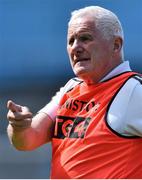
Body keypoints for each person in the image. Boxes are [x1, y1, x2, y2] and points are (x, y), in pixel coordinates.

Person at [7, 6, 142, 179]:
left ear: (115, 45)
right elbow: (26, 140)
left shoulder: (133, 91)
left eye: (85, 38)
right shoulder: (71, 88)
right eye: (71, 41)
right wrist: (19, 127)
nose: (75, 48)